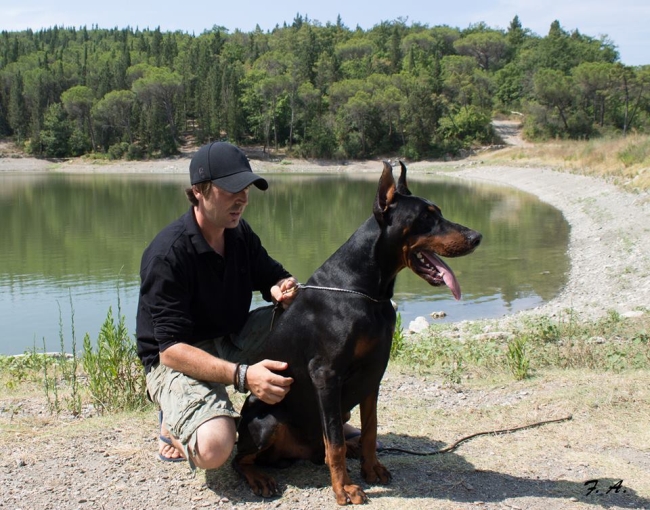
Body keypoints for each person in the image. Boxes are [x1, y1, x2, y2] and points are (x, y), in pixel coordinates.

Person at [136, 141, 299, 467]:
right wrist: (244, 376)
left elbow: (274, 275)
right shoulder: (168, 255)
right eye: (232, 189)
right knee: (214, 449)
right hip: (175, 361)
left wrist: (282, 288)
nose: (243, 199)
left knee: (303, 317)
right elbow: (170, 351)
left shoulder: (238, 233)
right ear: (199, 190)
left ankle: (309, 421)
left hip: (230, 340)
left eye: (246, 189)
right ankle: (173, 424)